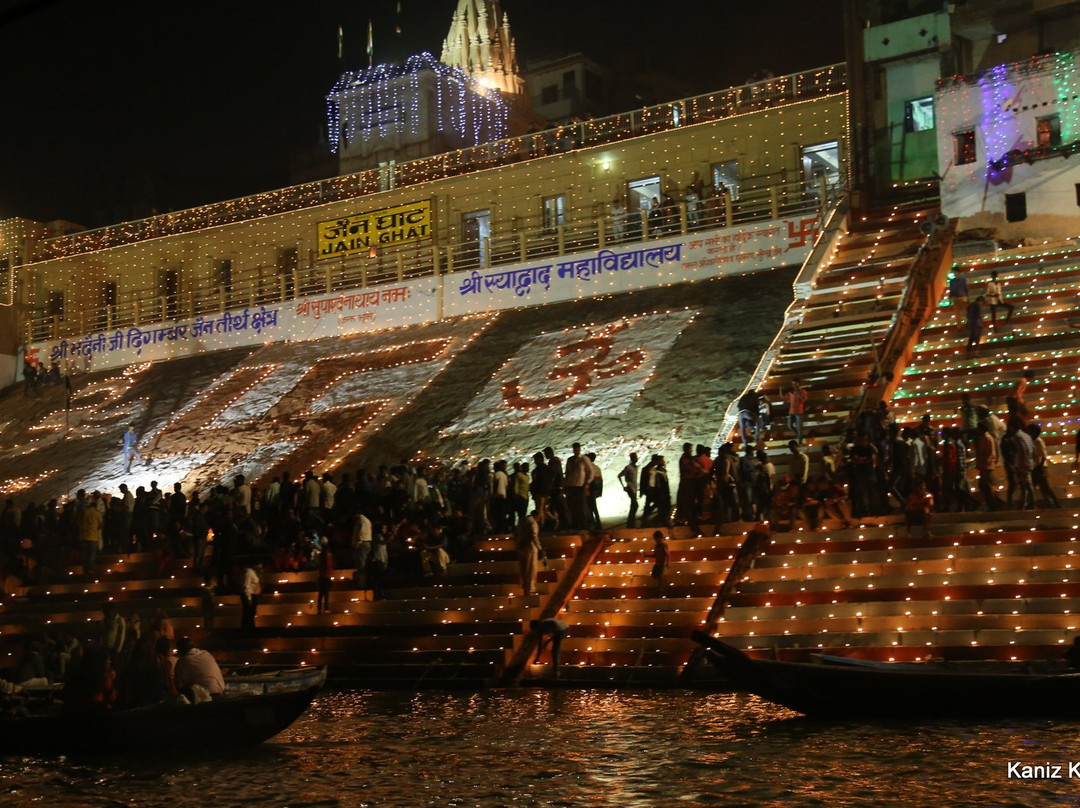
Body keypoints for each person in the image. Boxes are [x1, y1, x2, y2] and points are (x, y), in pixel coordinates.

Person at [514, 510, 542, 596]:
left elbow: (516, 534)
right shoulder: (533, 522)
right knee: (530, 570)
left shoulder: (522, 521)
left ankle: (525, 589)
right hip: (530, 547)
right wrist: (540, 548)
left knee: (523, 570)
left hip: (520, 547)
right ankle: (530, 590)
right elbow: (533, 536)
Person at [617, 452, 639, 528]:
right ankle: (630, 523)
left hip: (635, 488)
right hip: (630, 487)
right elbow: (619, 475)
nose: (637, 458)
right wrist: (624, 486)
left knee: (633, 505)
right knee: (635, 505)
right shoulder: (628, 467)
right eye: (635, 457)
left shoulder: (636, 467)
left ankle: (631, 523)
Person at [241, 562, 263, 631]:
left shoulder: (254, 573)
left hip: (253, 595)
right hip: (250, 596)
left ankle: (250, 628)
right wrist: (249, 598)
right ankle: (247, 629)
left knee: (251, 614)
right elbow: (246, 586)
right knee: (248, 614)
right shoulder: (249, 572)